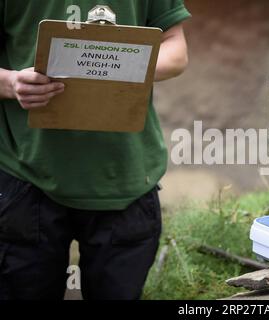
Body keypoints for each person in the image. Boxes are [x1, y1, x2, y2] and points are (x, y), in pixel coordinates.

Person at [0, 0, 190, 300]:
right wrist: (10, 83)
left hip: (125, 177)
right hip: (27, 175)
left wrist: (118, 65)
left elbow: (176, 50)